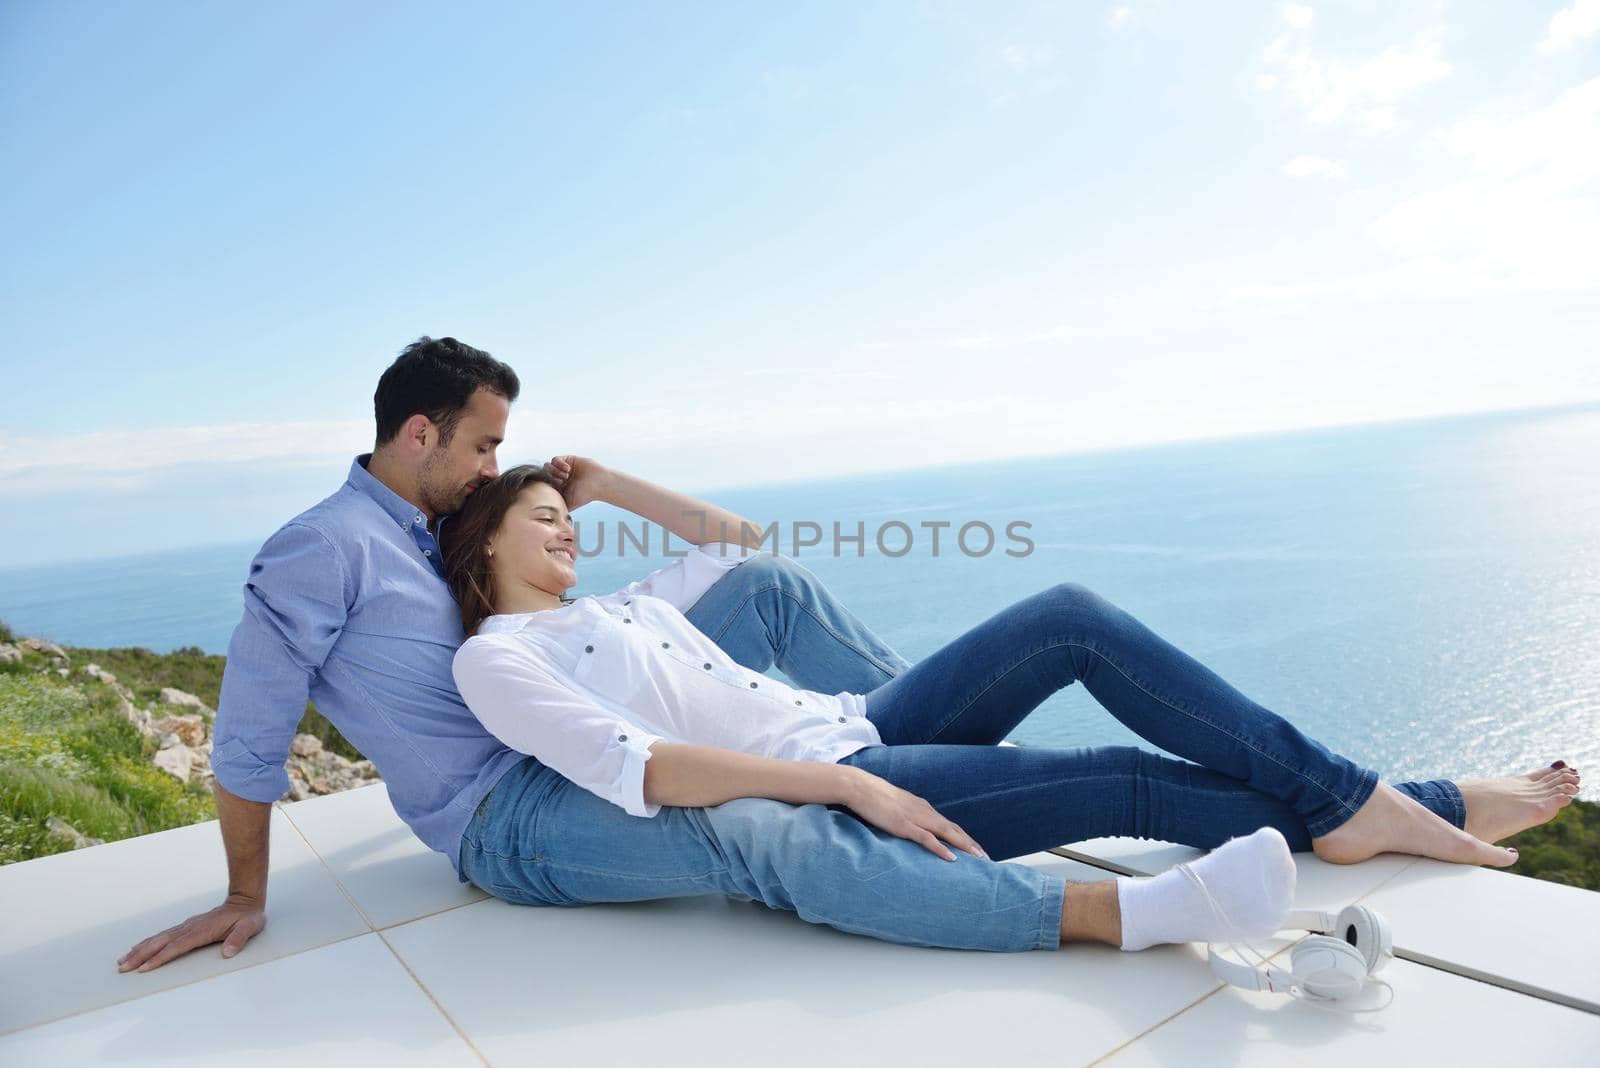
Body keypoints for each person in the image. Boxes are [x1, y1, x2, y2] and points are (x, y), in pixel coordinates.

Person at [118, 335, 1150, 972]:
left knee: (767, 586)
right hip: (514, 796)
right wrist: (247, 894)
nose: (494, 467)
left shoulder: (438, 524)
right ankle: (1078, 905)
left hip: (568, 704)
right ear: (421, 434)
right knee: (754, 829)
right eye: (484, 446)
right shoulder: (321, 547)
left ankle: (899, 757)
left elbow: (714, 548)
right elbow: (250, 733)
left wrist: (599, 488)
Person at [440, 460, 1583, 954]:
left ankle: (1351, 803)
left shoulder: (631, 601)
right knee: (1126, 778)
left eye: (564, 515)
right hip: (851, 781)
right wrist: (843, 783)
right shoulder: (496, 658)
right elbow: (647, 774)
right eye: (540, 517)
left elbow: (741, 548)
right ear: (479, 540)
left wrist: (603, 481)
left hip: (866, 722)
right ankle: (1399, 803)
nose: (567, 531)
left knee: (1069, 613)